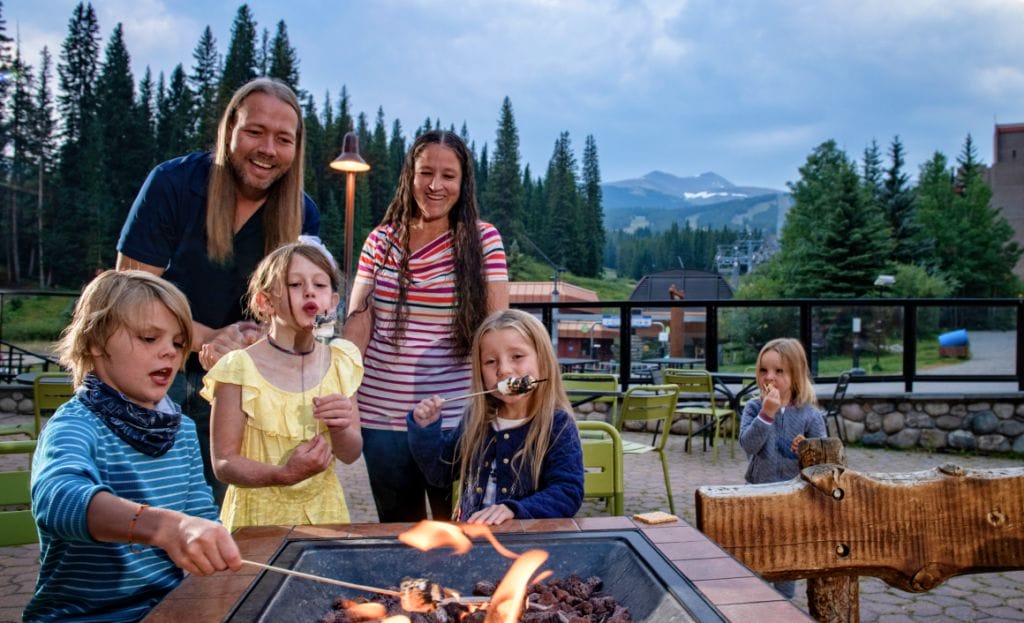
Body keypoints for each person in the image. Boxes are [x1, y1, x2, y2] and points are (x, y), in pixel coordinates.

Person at [116, 77, 320, 505]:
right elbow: (129, 297)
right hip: (156, 377)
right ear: (230, 129)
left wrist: (253, 342)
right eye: (255, 131)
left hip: (235, 388)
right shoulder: (173, 183)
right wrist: (211, 339)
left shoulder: (303, 214)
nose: (268, 149)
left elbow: (297, 309)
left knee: (213, 516)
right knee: (143, 508)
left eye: (283, 139)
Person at [24, 270, 241, 622]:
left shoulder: (181, 430)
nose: (169, 354)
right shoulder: (75, 425)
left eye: (176, 342)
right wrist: (164, 527)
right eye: (149, 338)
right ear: (96, 341)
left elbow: (201, 518)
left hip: (167, 610)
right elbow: (58, 500)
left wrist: (214, 548)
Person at [343, 130, 509, 522]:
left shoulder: (484, 240)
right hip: (380, 414)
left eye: (448, 175)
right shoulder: (381, 241)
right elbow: (359, 321)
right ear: (410, 176)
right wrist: (343, 387)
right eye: (425, 173)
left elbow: (495, 327)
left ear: (463, 182)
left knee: (459, 526)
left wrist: (495, 400)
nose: (436, 185)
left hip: (453, 418)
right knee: (400, 525)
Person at [201, 242, 363, 531]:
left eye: (320, 284)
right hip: (258, 520)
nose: (310, 292)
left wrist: (339, 428)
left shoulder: (340, 361)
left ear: (333, 301)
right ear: (265, 302)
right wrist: (284, 474)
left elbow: (351, 454)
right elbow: (224, 463)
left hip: (325, 513)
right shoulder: (238, 368)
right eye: (295, 284)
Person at [408, 309, 583, 525]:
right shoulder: (476, 419)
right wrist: (426, 430)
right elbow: (440, 473)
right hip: (474, 537)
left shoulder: (557, 424)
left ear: (543, 360)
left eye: (517, 357)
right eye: (490, 361)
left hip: (528, 541)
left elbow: (568, 493)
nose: (504, 370)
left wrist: (514, 509)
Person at [738, 337, 826, 599]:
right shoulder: (754, 407)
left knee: (787, 556)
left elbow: (824, 461)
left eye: (779, 371)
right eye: (764, 370)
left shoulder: (810, 414)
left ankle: (783, 607)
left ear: (796, 374)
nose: (770, 378)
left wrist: (807, 451)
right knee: (755, 554)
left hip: (793, 498)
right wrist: (766, 414)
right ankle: (754, 603)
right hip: (758, 494)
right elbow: (748, 445)